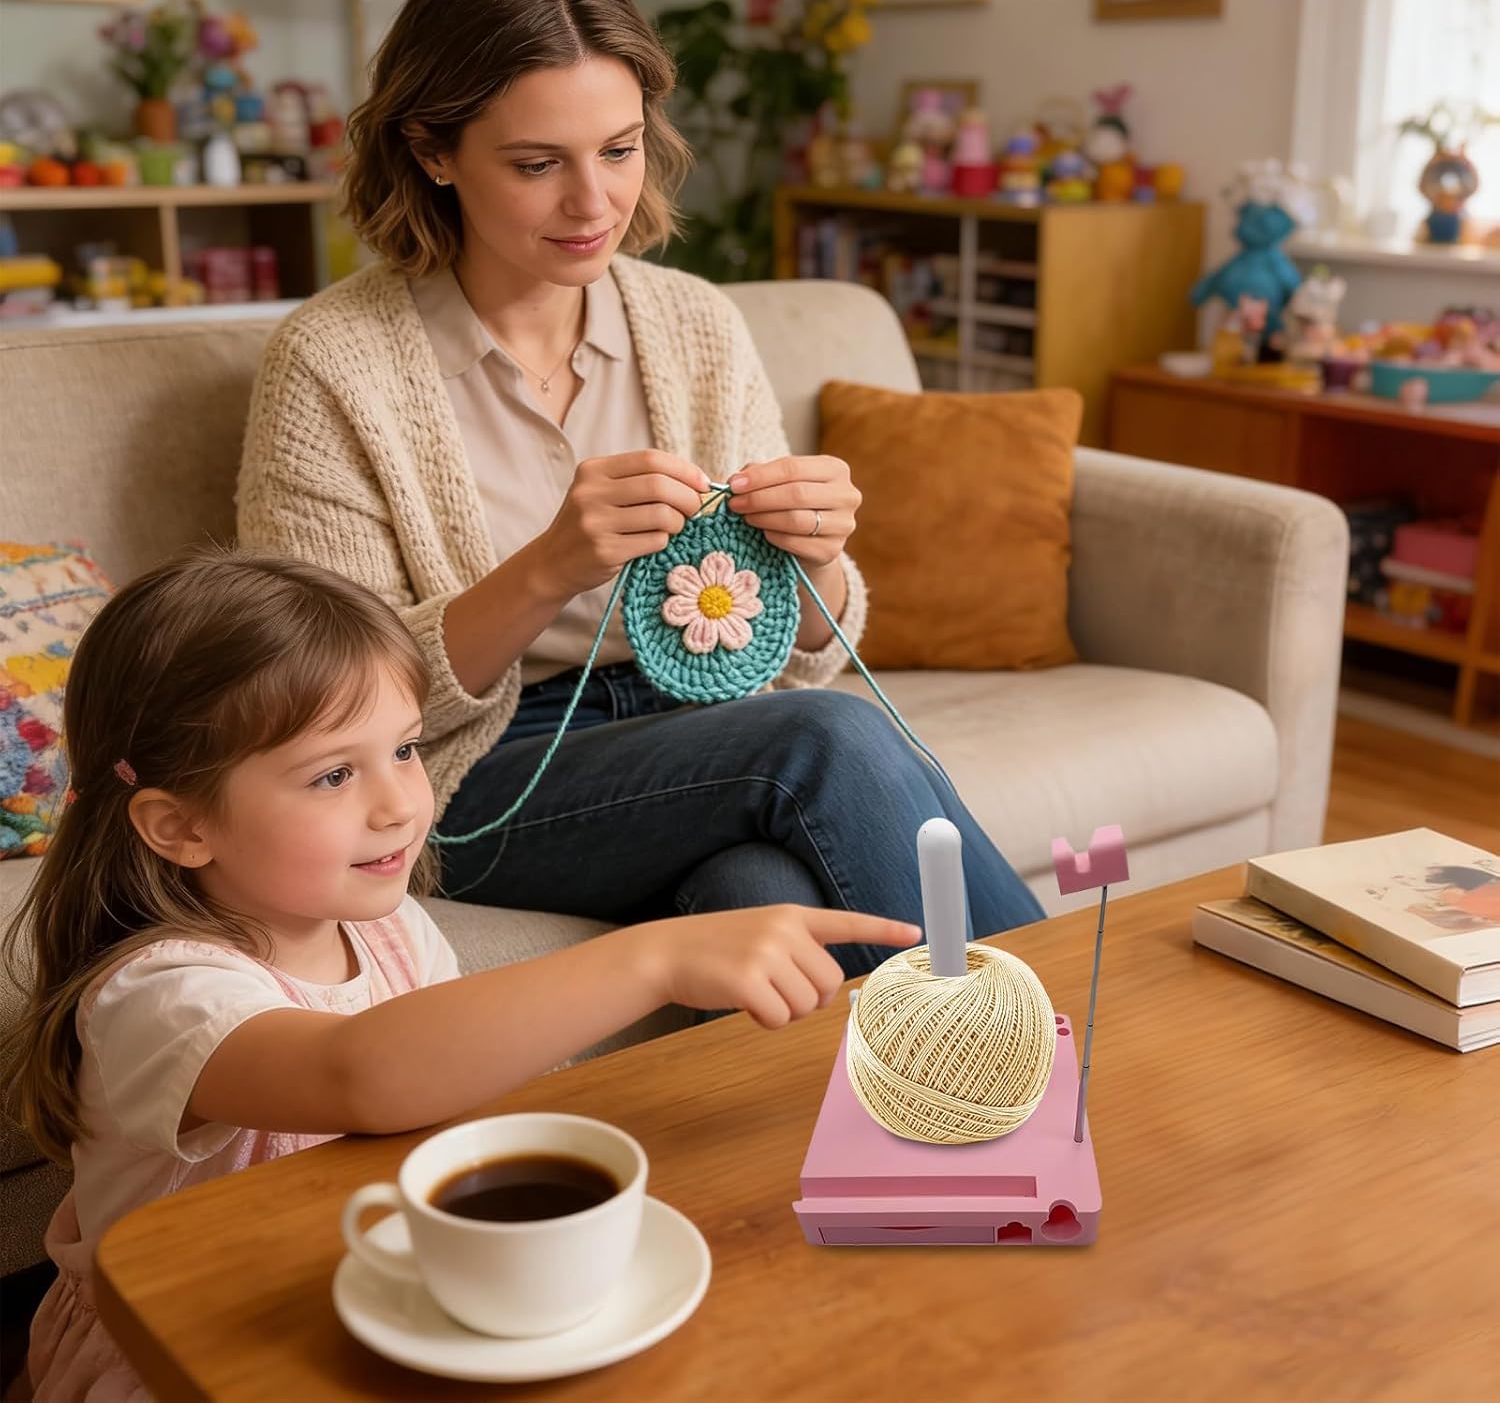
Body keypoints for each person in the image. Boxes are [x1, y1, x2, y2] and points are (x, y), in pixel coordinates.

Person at [237, 0, 1042, 976]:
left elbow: (805, 651)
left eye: (618, 150)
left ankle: (931, 1124)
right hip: (471, 778)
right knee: (827, 742)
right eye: (538, 165)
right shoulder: (329, 366)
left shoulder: (694, 325)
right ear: (433, 151)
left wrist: (819, 556)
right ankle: (1063, 1044)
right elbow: (321, 704)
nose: (595, 203)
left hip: (703, 736)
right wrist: (548, 570)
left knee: (764, 899)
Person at [0, 547, 918, 1402]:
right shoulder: (159, 997)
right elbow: (358, 1073)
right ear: (180, 827)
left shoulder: (395, 931)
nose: (403, 801)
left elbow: (446, 1095)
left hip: (373, 1290)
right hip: (192, 1349)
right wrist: (654, 957)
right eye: (331, 777)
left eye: (402, 750)